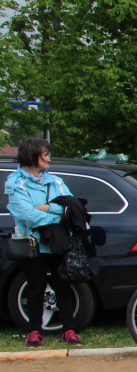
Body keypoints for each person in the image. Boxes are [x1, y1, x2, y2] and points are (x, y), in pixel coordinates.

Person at [4, 138, 83, 347]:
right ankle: (34, 332)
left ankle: (69, 330)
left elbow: (70, 208)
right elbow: (27, 215)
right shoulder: (15, 182)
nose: (49, 158)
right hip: (32, 243)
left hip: (56, 242)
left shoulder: (56, 181)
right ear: (32, 156)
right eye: (45, 155)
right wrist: (55, 212)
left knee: (63, 286)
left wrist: (45, 208)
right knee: (35, 288)